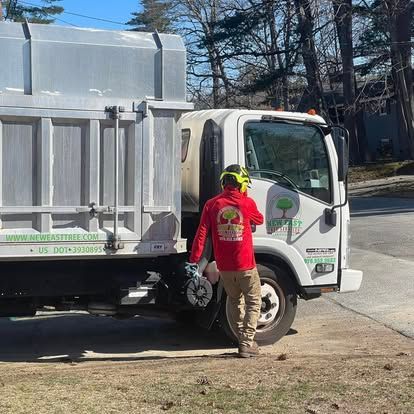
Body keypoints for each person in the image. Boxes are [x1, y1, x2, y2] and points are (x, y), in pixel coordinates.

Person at [189, 164, 264, 358]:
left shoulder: (212, 204)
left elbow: (202, 234)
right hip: (246, 264)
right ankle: (247, 343)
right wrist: (244, 195)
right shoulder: (247, 204)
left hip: (225, 266)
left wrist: (195, 259)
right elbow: (260, 219)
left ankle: (242, 340)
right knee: (254, 301)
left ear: (223, 182)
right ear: (242, 184)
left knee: (234, 300)